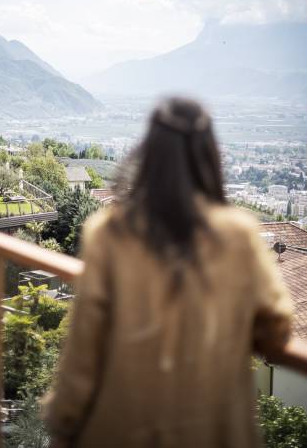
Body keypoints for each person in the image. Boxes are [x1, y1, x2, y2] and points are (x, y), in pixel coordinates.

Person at [42, 97, 293, 448]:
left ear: (150, 154)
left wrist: (62, 422)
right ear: (209, 156)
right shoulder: (238, 234)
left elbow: (84, 347)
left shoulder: (111, 233)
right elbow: (276, 321)